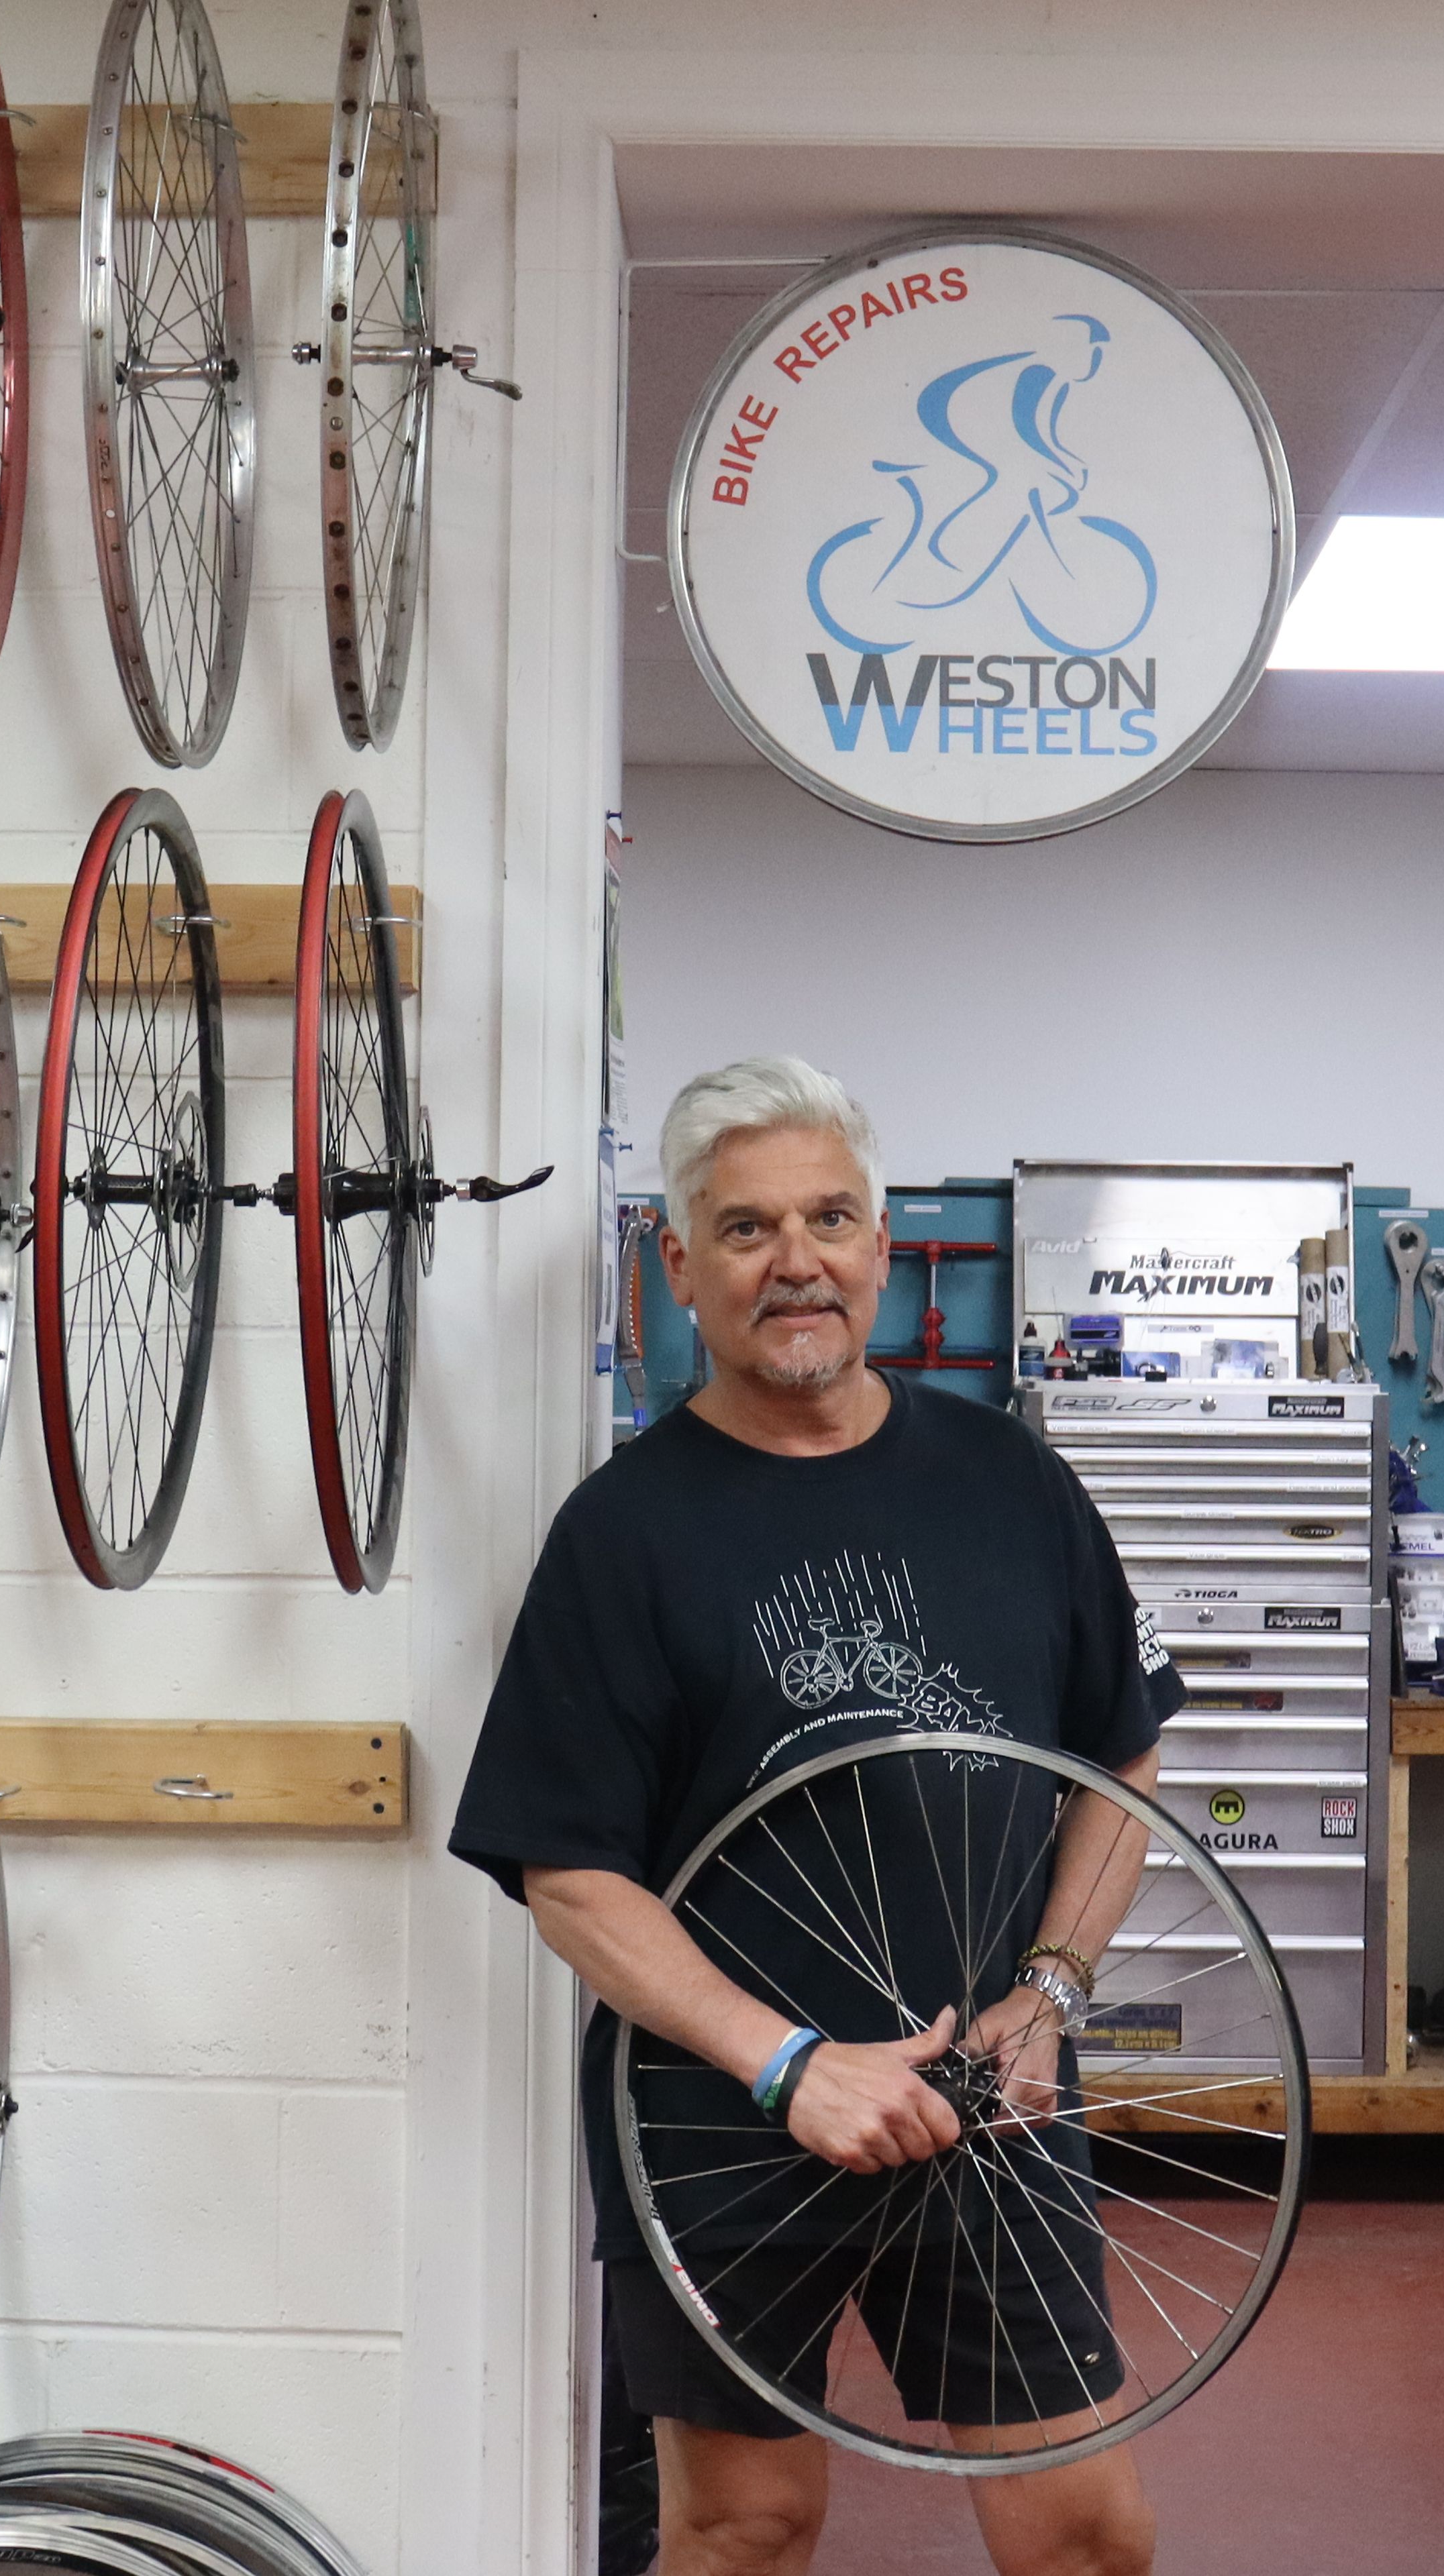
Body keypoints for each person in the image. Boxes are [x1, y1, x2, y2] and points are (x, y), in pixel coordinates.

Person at [451, 1056, 1180, 2576]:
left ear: (883, 1242)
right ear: (679, 1262)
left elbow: (1121, 1771)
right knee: (744, 2530)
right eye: (746, 1229)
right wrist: (790, 2065)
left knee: (1085, 2537)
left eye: (829, 1218)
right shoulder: (623, 1535)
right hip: (726, 2121)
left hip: (995, 2106)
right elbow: (569, 1873)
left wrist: (1045, 2004)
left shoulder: (1014, 1484)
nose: (796, 1263)